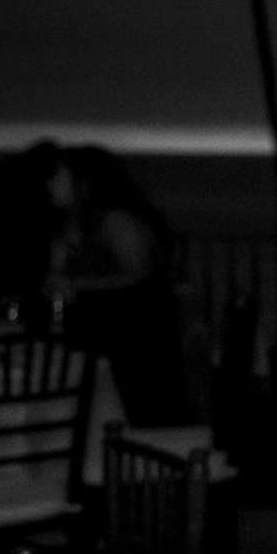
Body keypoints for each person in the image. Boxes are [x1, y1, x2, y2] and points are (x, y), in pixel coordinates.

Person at [39, 143, 192, 423]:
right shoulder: (67, 227)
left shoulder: (117, 221)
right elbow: (57, 277)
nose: (50, 183)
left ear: (82, 182)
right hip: (95, 343)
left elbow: (140, 280)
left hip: (136, 348)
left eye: (58, 176)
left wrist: (76, 286)